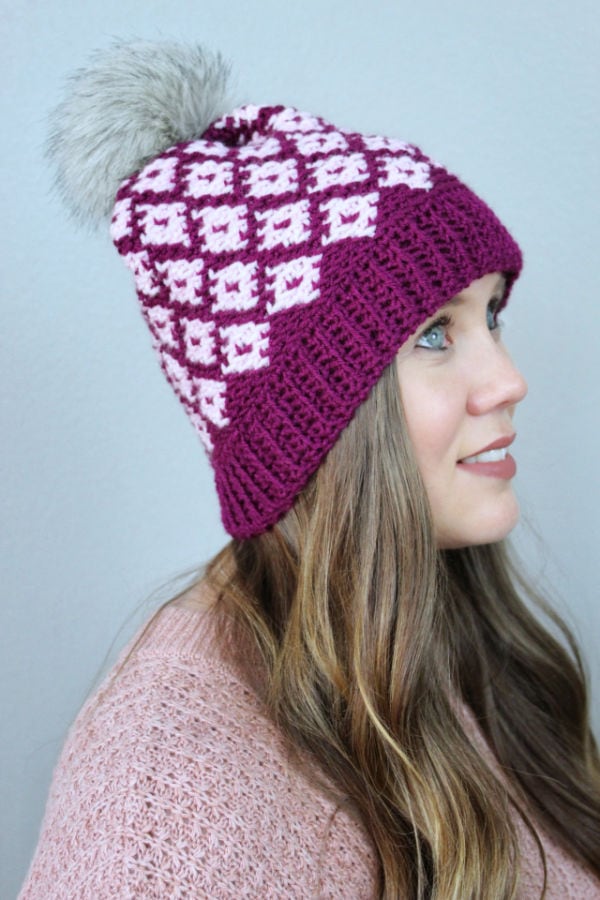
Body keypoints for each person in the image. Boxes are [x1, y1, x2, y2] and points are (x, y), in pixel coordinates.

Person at [20, 40, 600, 899]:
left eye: (493, 317)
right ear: (315, 420)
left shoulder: (460, 643)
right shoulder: (166, 792)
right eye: (435, 333)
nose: (509, 380)